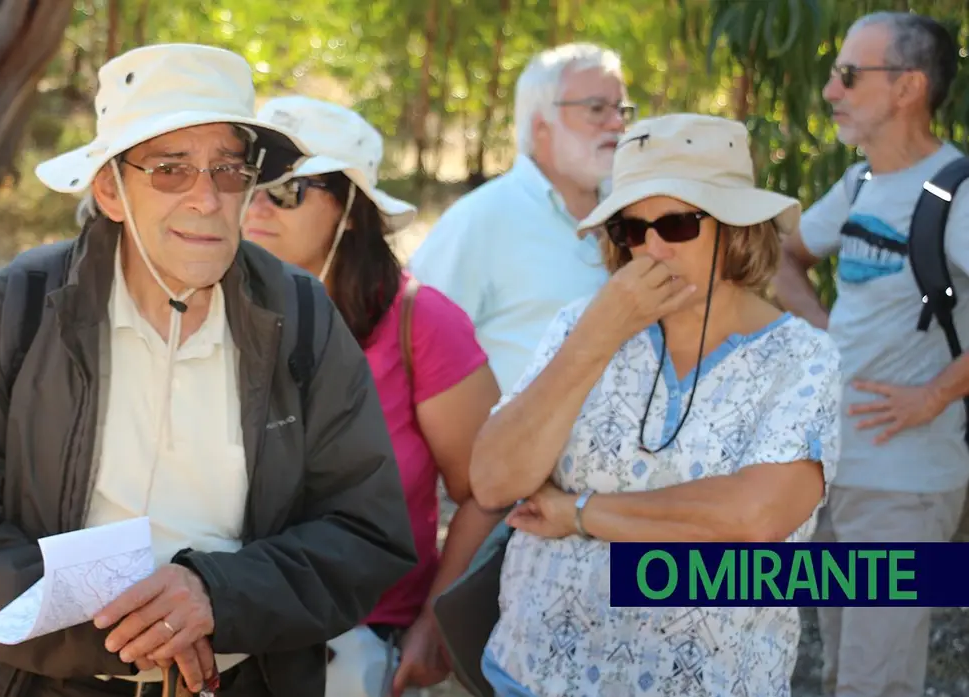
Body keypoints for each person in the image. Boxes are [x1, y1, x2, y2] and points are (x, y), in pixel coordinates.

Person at [0, 44, 417, 697]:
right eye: (171, 169)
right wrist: (140, 630)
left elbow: (364, 531)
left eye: (228, 170)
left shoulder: (302, 318)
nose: (207, 198)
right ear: (110, 188)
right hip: (43, 682)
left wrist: (214, 596)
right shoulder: (14, 311)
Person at [468, 114, 842, 696]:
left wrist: (578, 513)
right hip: (533, 673)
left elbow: (751, 519)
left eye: (675, 223)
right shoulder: (580, 324)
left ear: (738, 228)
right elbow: (493, 481)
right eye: (630, 230)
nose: (652, 248)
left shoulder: (803, 357)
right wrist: (595, 338)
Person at [243, 96, 504, 697]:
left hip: (357, 640)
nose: (257, 204)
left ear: (352, 211)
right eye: (249, 180)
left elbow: (488, 490)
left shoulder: (421, 325)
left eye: (288, 188)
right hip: (227, 619)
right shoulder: (211, 310)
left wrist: (435, 618)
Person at [771, 12, 967, 697]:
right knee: (839, 669)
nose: (831, 90)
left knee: (877, 681)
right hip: (832, 470)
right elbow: (782, 257)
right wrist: (823, 331)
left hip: (906, 484)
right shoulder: (857, 185)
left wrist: (937, 392)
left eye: (849, 75)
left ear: (908, 86)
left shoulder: (959, 192)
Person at [407, 43, 629, 393]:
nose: (617, 123)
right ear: (542, 126)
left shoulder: (638, 216)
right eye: (597, 109)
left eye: (621, 109)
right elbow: (413, 348)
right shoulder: (480, 220)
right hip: (516, 444)